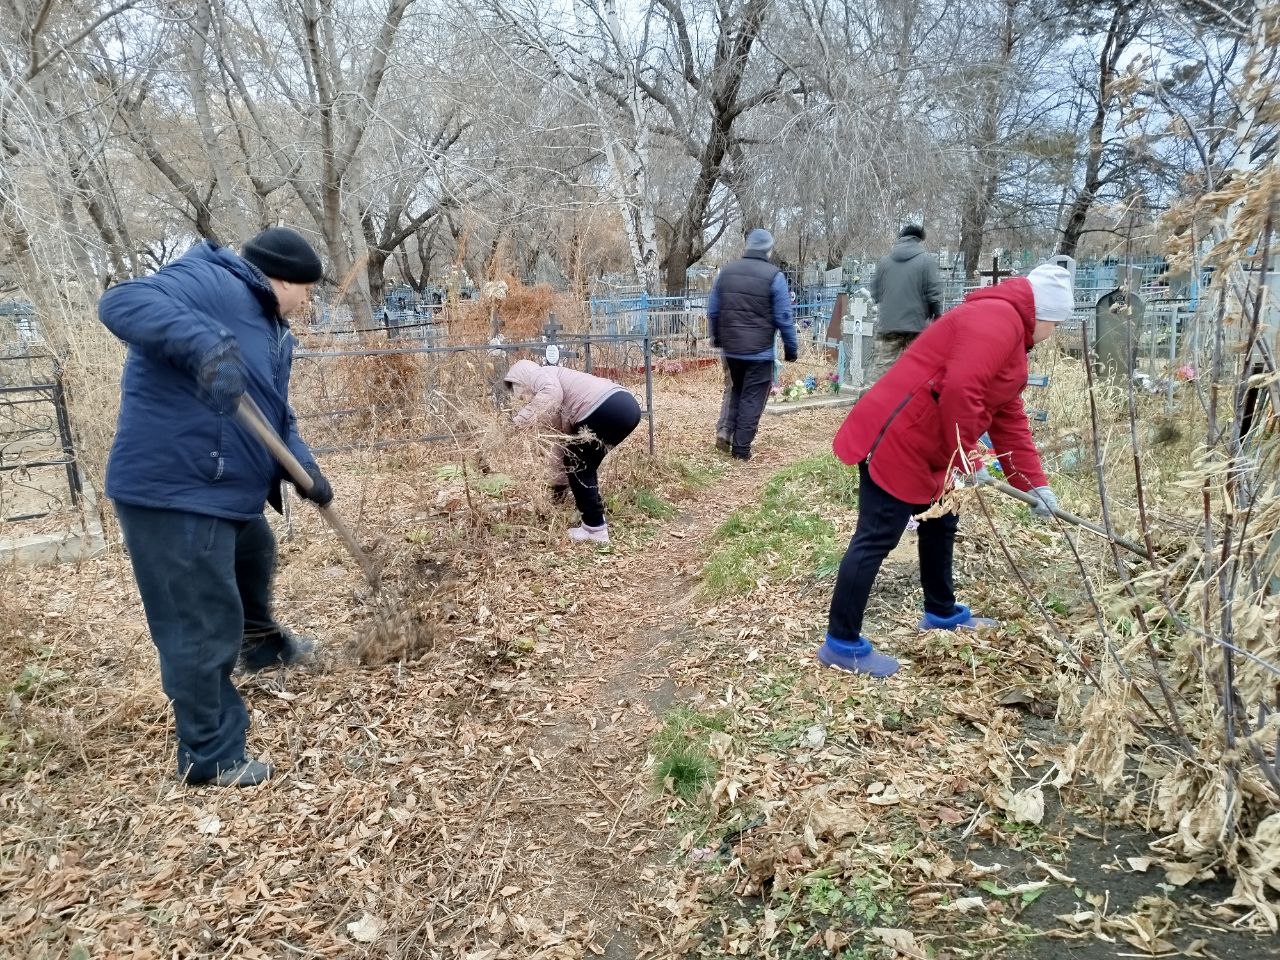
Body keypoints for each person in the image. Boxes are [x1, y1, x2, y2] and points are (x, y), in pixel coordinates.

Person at [99, 227, 331, 787]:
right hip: (176, 489)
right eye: (307, 291)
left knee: (255, 550)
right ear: (283, 279)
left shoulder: (271, 327)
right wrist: (203, 343)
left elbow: (275, 417)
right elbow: (121, 301)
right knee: (200, 623)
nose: (308, 303)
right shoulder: (211, 281)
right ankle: (211, 755)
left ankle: (261, 646)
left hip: (222, 489)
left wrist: (306, 472)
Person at [816, 263, 1073, 677]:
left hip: (933, 441)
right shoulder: (997, 321)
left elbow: (1007, 415)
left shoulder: (1010, 335)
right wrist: (967, 456)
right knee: (877, 536)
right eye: (1056, 324)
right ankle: (841, 642)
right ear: (1045, 315)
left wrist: (1034, 484)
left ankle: (941, 611)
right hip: (900, 435)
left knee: (941, 521)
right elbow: (961, 390)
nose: (1053, 333)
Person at [503, 359, 642, 544]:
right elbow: (561, 448)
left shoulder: (539, 375)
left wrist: (516, 424)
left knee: (579, 464)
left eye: (522, 395)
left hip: (604, 407)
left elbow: (550, 394)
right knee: (580, 463)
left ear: (522, 381)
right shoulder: (558, 394)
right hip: (624, 406)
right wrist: (557, 492)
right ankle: (591, 519)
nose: (525, 401)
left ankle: (595, 529)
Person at [709, 228, 798, 460]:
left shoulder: (726, 272)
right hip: (759, 352)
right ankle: (741, 449)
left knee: (736, 390)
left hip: (731, 349)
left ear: (747, 247)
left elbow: (714, 309)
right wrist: (791, 349)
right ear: (768, 250)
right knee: (753, 397)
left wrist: (718, 338)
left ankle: (727, 432)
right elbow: (784, 316)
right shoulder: (774, 276)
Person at [870, 224, 943, 379]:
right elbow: (934, 292)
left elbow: (875, 293)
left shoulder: (884, 262)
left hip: (888, 325)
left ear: (901, 238)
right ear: (919, 239)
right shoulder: (926, 261)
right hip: (915, 325)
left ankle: (878, 400)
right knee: (917, 369)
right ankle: (910, 401)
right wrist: (936, 314)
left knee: (883, 370)